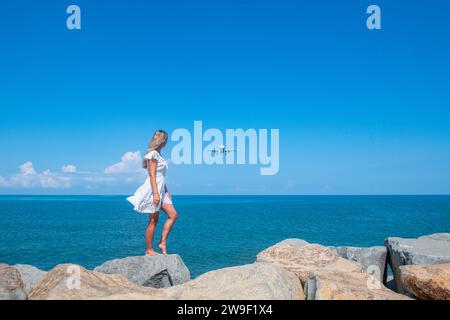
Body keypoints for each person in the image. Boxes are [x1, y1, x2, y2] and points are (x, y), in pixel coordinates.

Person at [127, 130, 179, 256]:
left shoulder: (159, 155)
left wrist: (166, 191)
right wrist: (156, 194)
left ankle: (162, 242)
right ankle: (149, 250)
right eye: (166, 139)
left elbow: (161, 176)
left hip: (161, 189)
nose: (167, 142)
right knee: (153, 220)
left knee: (173, 215)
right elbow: (151, 175)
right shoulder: (153, 154)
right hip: (153, 190)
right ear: (161, 140)